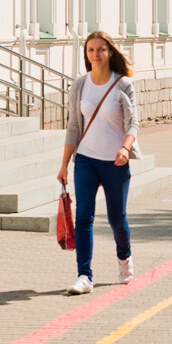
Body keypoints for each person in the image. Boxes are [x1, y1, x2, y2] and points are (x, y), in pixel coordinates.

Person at [57, 31, 141, 295]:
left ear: (110, 52)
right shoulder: (79, 85)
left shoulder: (123, 85)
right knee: (83, 218)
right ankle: (84, 276)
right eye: (91, 50)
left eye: (101, 49)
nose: (96, 54)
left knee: (117, 220)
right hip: (86, 160)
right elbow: (72, 126)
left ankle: (124, 258)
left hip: (115, 163)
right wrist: (64, 165)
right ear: (86, 54)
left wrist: (125, 148)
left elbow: (134, 123)